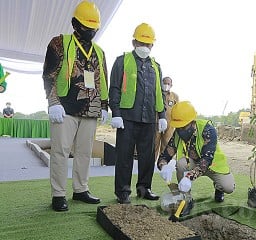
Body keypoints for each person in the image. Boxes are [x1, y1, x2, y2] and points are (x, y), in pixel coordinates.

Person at [42, 1, 109, 211]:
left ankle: (81, 189)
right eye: (86, 26)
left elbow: (102, 80)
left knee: (84, 153)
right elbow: (48, 75)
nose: (90, 31)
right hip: (64, 109)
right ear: (75, 23)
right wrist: (52, 102)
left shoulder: (99, 51)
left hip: (90, 110)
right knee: (61, 151)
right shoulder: (59, 43)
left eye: (93, 28)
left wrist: (104, 106)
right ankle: (58, 194)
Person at [109, 23, 167, 204]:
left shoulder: (156, 66)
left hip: (149, 119)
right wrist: (116, 112)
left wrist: (162, 115)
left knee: (148, 157)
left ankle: (144, 188)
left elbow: (159, 92)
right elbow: (115, 88)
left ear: (152, 45)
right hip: (127, 118)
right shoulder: (122, 61)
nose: (145, 47)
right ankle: (123, 192)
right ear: (134, 42)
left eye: (148, 44)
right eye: (141, 42)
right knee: (124, 156)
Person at [157, 101, 235, 203]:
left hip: (212, 165)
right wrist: (164, 166)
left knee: (228, 187)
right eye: (178, 127)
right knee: (181, 163)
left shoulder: (208, 130)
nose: (180, 131)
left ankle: (219, 188)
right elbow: (165, 155)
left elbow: (206, 161)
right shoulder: (178, 134)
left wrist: (189, 177)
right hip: (192, 164)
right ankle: (186, 198)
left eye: (183, 127)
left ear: (192, 122)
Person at [154, 76, 179, 161]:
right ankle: (151, 164)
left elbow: (177, 109)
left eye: (168, 84)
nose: (166, 85)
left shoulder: (174, 96)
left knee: (167, 144)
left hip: (170, 125)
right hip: (156, 124)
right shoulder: (156, 94)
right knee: (154, 144)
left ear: (171, 85)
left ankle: (163, 163)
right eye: (165, 83)